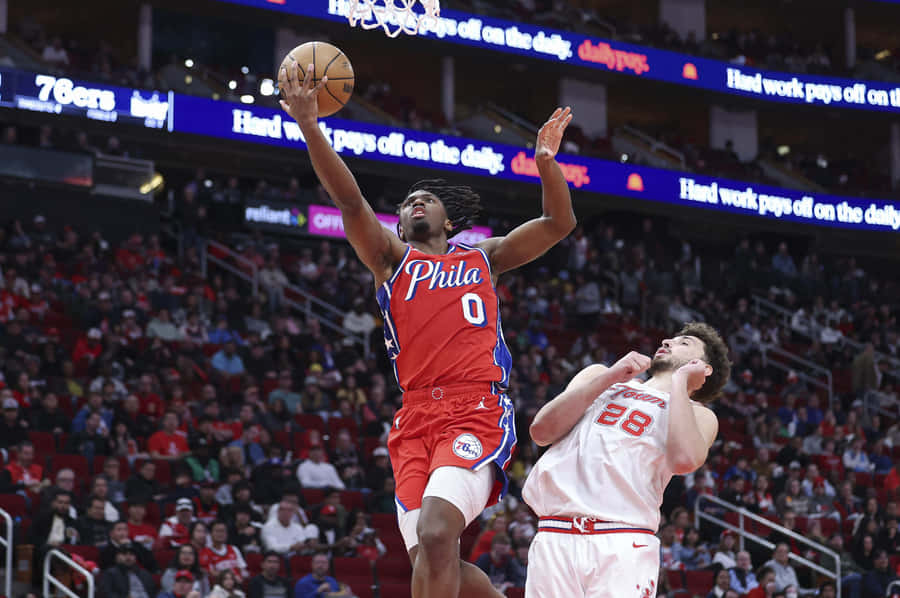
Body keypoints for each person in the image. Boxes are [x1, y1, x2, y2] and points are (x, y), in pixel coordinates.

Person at [280, 56, 576, 598]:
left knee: (439, 533)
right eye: (407, 202)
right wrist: (308, 126)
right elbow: (348, 201)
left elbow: (559, 224)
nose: (416, 202)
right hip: (414, 418)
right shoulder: (390, 262)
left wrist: (546, 163)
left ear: (448, 219)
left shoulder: (483, 256)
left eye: (428, 199)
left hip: (474, 409)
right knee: (438, 565)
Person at [521, 322, 731, 597]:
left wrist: (680, 382)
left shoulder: (698, 414)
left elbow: (684, 460)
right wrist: (611, 376)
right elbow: (541, 431)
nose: (668, 341)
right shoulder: (601, 376)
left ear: (702, 367)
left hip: (622, 540)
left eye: (685, 342)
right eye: (671, 338)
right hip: (555, 533)